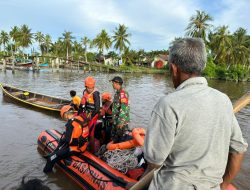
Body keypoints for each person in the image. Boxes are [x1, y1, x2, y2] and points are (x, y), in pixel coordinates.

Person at [141, 38, 248, 190]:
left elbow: (154, 161)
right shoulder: (223, 100)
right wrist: (223, 186)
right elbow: (238, 151)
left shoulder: (168, 104)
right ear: (201, 66)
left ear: (174, 68)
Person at [109, 76, 130, 143]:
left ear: (117, 83)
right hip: (116, 120)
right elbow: (116, 107)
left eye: (113, 83)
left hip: (121, 121)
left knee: (120, 138)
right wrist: (113, 118)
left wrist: (121, 122)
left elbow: (124, 108)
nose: (112, 84)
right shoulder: (117, 93)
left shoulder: (123, 94)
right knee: (113, 136)